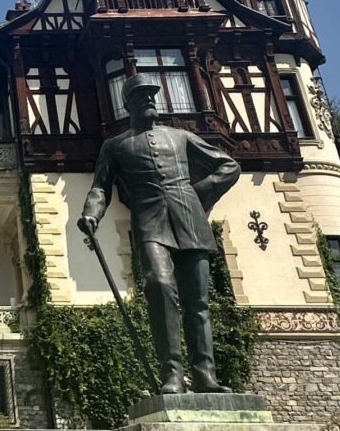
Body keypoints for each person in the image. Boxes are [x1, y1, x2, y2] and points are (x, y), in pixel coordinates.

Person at [78, 71, 240, 396]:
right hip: (150, 223)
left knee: (197, 301)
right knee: (159, 287)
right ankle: (173, 375)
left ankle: (205, 375)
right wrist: (90, 214)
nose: (149, 100)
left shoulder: (180, 137)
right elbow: (100, 188)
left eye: (152, 95)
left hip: (190, 221)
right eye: (141, 97)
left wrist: (198, 193)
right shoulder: (116, 145)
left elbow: (229, 166)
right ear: (128, 105)